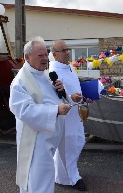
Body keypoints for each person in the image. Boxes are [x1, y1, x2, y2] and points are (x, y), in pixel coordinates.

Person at [9, 36, 71, 193]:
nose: (45, 59)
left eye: (46, 54)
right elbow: (24, 111)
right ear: (27, 57)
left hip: (49, 140)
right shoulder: (20, 82)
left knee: (46, 179)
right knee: (37, 182)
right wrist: (56, 110)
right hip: (36, 143)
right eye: (40, 55)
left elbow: (53, 98)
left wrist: (63, 92)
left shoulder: (46, 75)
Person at [49, 40, 88, 191]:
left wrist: (84, 96)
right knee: (68, 147)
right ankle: (72, 178)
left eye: (67, 49)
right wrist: (71, 97)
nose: (67, 52)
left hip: (76, 113)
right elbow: (55, 95)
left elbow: (74, 87)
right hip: (65, 114)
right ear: (54, 54)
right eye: (63, 50)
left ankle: (60, 173)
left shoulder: (69, 67)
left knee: (78, 141)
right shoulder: (54, 72)